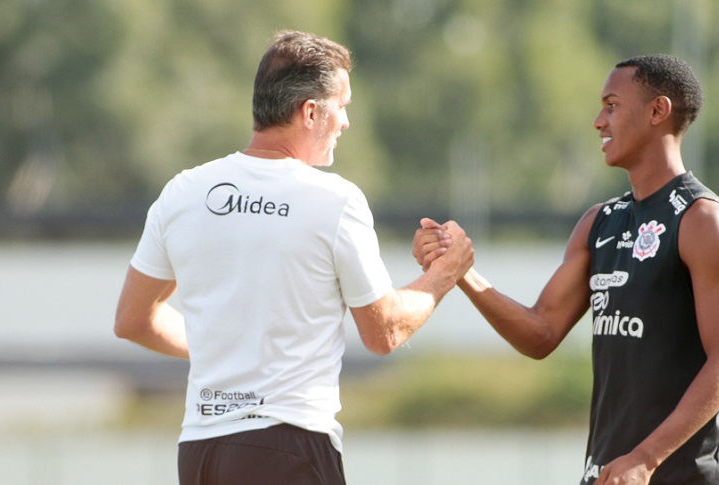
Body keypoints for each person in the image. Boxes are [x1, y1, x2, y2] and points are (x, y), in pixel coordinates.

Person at [114, 30, 473, 485]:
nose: (345, 122)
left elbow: (132, 319)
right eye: (342, 105)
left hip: (200, 450)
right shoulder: (334, 199)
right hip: (288, 444)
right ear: (310, 112)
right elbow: (384, 331)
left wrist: (229, 348)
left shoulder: (183, 191)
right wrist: (445, 273)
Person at [414, 54, 719, 484]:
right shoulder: (599, 222)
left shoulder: (700, 219)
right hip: (605, 476)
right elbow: (540, 332)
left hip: (674, 475)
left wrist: (646, 458)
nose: (598, 122)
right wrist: (461, 273)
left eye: (611, 105)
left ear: (658, 111)